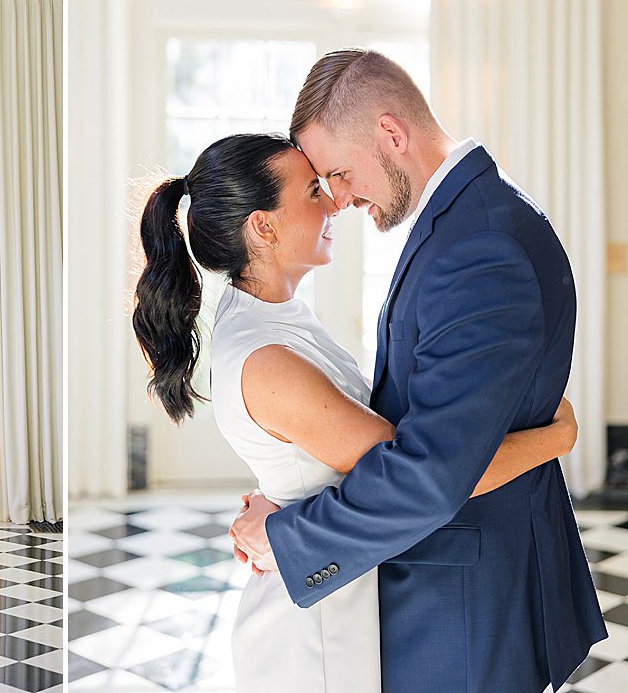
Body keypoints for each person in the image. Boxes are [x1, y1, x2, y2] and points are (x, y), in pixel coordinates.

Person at [133, 132, 581, 692]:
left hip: (339, 594)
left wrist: (285, 495)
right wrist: (553, 440)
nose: (334, 202)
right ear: (263, 226)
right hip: (313, 634)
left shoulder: (276, 318)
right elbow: (425, 472)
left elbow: (318, 451)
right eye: (311, 192)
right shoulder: (267, 355)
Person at [227, 50, 606, 692]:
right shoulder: (466, 219)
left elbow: (432, 472)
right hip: (461, 583)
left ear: (391, 134)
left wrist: (289, 537)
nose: (339, 200)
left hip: (462, 601)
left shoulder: (479, 247)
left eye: (340, 174)